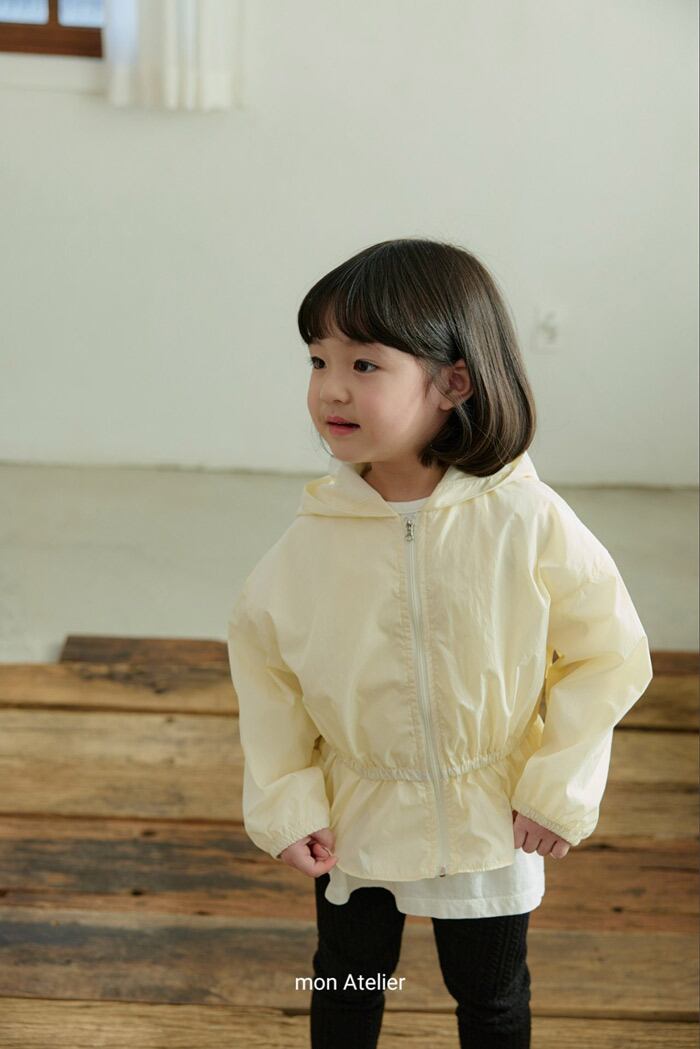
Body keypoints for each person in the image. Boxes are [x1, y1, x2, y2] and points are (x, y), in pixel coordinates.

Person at [226, 237, 653, 1049]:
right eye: (318, 361)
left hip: (494, 818)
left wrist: (558, 783)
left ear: (454, 382)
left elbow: (609, 650)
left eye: (364, 364)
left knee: (490, 994)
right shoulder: (315, 537)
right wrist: (287, 800)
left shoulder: (525, 519)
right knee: (348, 980)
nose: (331, 388)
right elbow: (267, 666)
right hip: (356, 818)